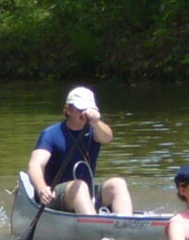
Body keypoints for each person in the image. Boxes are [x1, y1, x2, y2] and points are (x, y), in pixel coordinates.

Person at [25, 86, 133, 215]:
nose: (85, 114)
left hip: (86, 193)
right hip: (55, 196)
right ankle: (93, 227)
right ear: (69, 110)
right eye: (81, 109)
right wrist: (42, 188)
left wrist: (95, 122)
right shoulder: (51, 134)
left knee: (118, 183)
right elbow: (35, 165)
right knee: (79, 186)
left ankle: (126, 225)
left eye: (88, 110)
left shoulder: (95, 130)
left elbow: (107, 138)